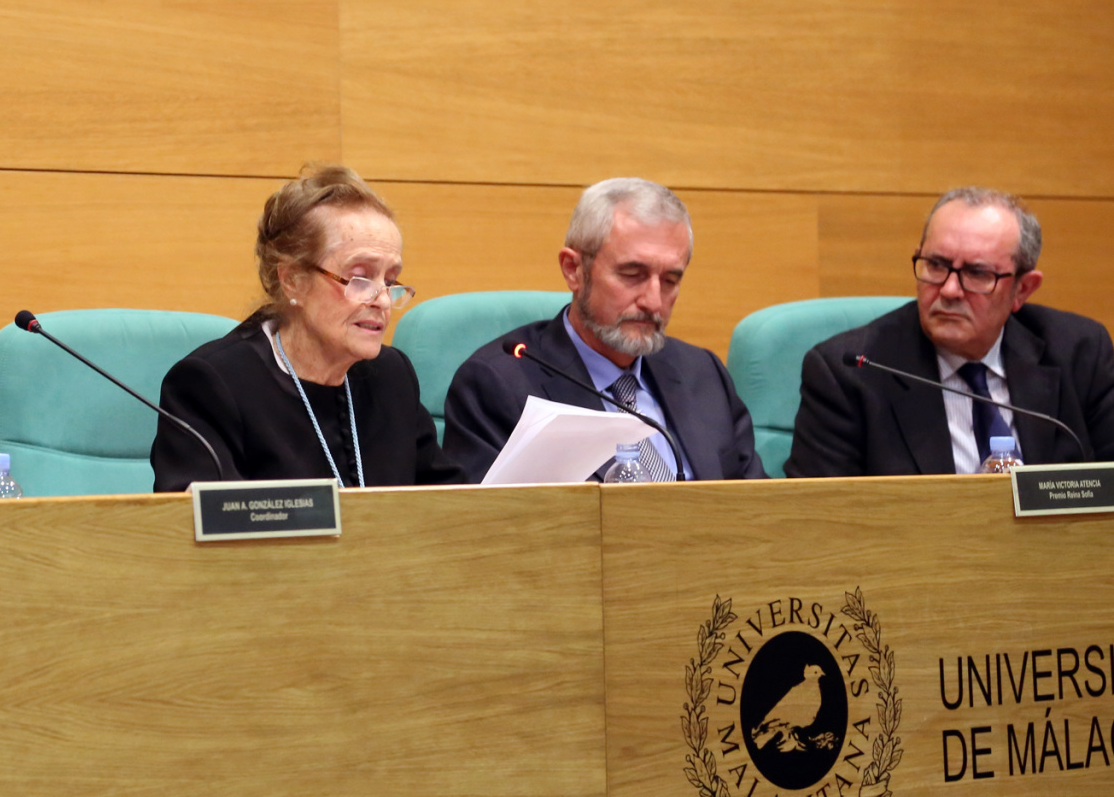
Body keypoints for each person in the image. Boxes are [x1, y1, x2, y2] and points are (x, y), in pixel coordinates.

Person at [151, 165, 463, 492]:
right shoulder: (213, 385)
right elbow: (200, 529)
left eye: (389, 280)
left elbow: (448, 506)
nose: (383, 301)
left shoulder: (392, 376)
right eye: (359, 278)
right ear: (293, 281)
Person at [442, 178, 765, 482]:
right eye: (632, 274)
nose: (653, 302)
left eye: (670, 280)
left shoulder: (703, 373)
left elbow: (761, 509)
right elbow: (487, 527)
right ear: (574, 269)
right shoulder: (499, 385)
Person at [786, 187, 1114, 477]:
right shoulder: (850, 374)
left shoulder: (1080, 354)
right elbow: (820, 522)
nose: (950, 290)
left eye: (977, 273)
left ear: (1022, 290)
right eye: (936, 265)